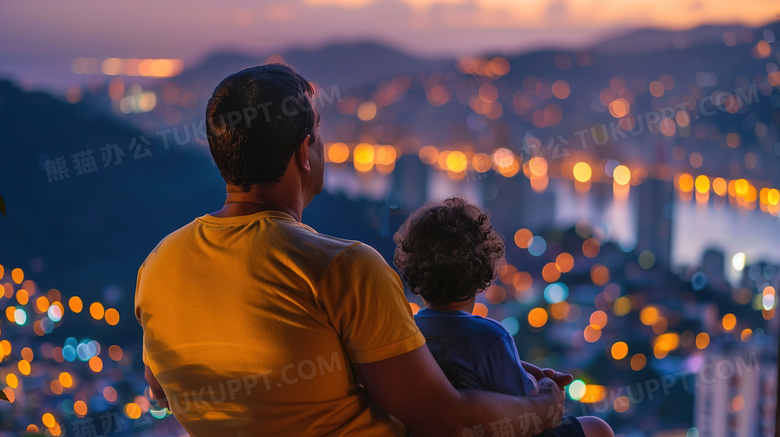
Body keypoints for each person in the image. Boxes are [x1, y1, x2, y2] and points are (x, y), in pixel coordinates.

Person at [134, 63, 565, 437]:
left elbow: (162, 389)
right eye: (317, 133)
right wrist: (545, 405)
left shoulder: (157, 266)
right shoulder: (343, 268)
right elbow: (448, 423)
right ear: (304, 151)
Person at [393, 197, 614, 437]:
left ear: (413, 272)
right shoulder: (490, 336)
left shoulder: (410, 330)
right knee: (597, 427)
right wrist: (547, 386)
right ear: (482, 273)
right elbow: (528, 409)